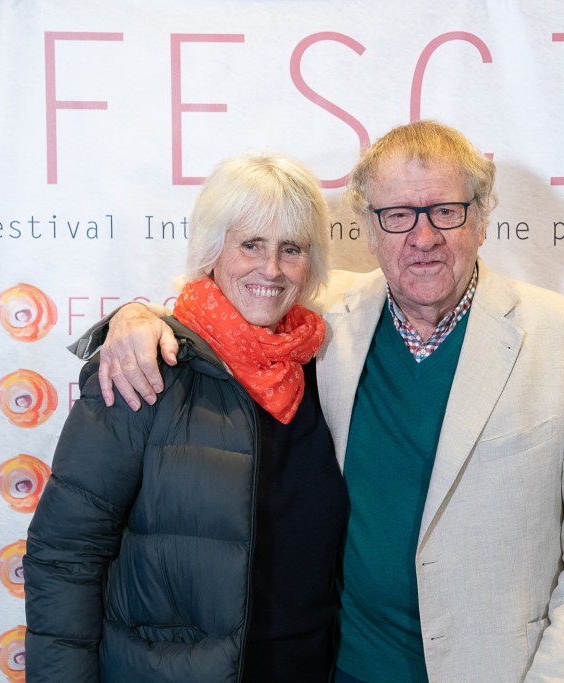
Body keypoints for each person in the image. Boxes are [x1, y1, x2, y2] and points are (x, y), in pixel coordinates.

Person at [85, 121, 564, 683]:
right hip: (345, 669)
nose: (423, 237)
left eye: (446, 211)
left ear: (482, 218)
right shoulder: (325, 315)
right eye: (397, 215)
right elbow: (230, 304)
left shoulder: (561, 337)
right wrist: (137, 318)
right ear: (368, 228)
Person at [23, 154, 348, 682]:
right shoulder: (143, 367)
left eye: (291, 249)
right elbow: (65, 555)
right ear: (212, 251)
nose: (271, 268)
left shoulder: (323, 368)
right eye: (250, 244)